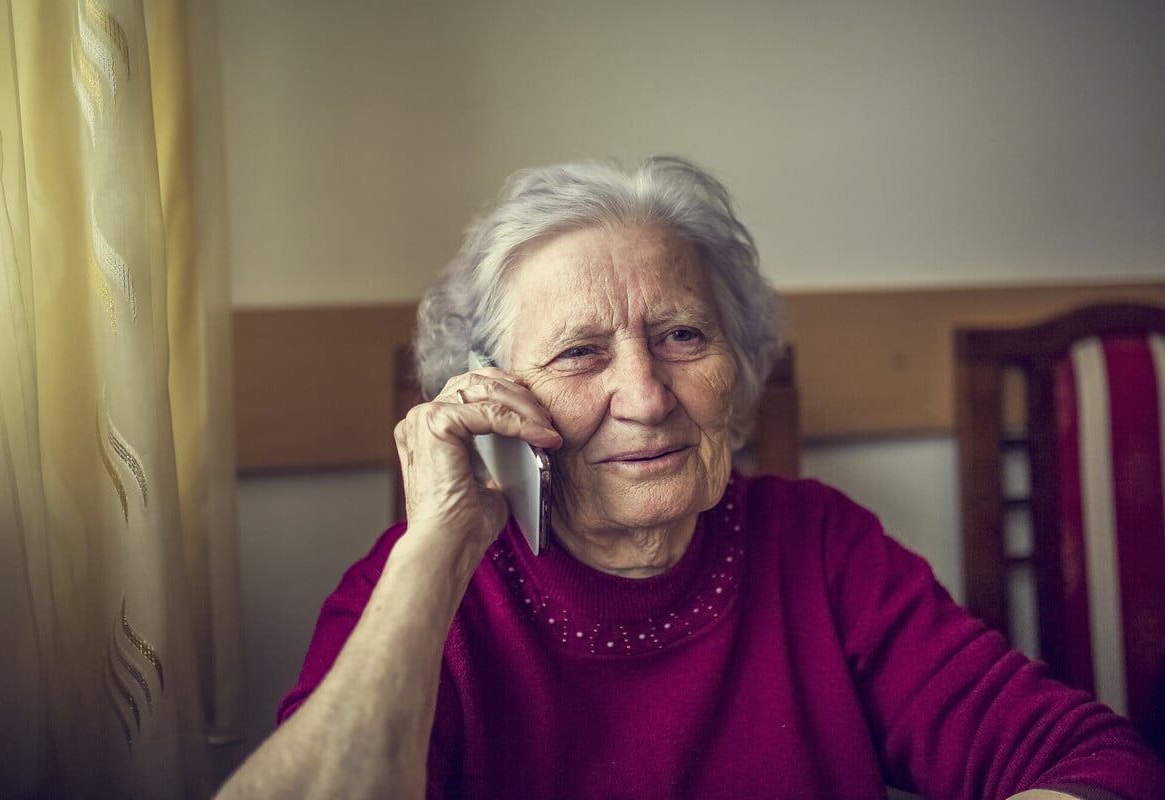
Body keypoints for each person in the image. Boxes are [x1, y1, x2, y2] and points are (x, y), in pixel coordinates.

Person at [216, 157, 1165, 800]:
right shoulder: (418, 588)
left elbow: (1095, 761)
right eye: (580, 353)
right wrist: (434, 558)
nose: (646, 394)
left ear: (740, 366)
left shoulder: (821, 547)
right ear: (494, 400)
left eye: (680, 336)